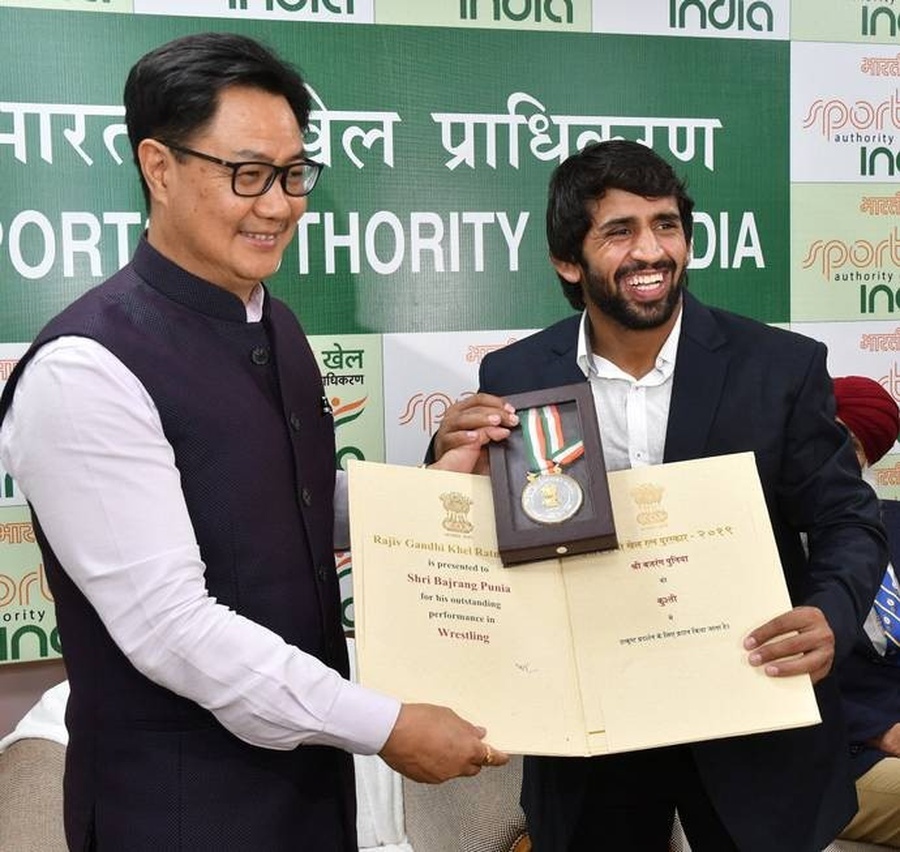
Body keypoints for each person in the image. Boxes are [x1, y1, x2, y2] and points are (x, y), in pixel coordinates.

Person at [0, 33, 510, 852]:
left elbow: (287, 504)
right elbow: (173, 629)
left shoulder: (275, 321)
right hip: (179, 813)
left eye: (294, 174)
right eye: (247, 175)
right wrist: (385, 725)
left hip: (307, 792)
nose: (278, 204)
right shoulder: (85, 370)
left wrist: (437, 493)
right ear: (158, 167)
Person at [432, 140, 887, 852]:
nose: (652, 251)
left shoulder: (781, 367)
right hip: (595, 732)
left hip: (751, 713)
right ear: (568, 260)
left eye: (667, 225)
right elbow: (488, 540)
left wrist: (830, 612)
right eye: (620, 231)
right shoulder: (516, 373)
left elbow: (848, 518)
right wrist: (445, 465)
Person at [832, 375, 900, 847]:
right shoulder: (770, 538)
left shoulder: (893, 520)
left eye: (849, 443)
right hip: (836, 756)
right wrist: (878, 731)